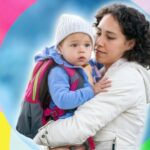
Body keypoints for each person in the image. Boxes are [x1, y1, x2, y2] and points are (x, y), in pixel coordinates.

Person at [34, 3, 150, 150]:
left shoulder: (127, 78)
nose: (99, 42)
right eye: (99, 33)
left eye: (110, 37)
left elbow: (78, 128)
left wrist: (41, 134)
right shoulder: (97, 72)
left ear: (130, 44)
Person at [34, 14, 111, 150]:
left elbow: (108, 62)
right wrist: (92, 91)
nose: (81, 49)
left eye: (87, 45)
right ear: (60, 48)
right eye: (74, 45)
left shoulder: (89, 65)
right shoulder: (58, 72)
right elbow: (62, 100)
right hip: (61, 130)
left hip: (79, 128)